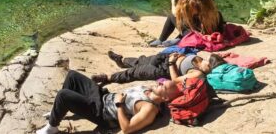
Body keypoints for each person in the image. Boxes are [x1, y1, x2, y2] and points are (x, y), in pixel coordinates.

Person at [35, 70, 182, 134]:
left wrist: (119, 105)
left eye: (163, 86)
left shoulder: (149, 109)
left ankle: (52, 127)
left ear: (165, 98)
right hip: (103, 97)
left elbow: (127, 129)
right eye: (162, 81)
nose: (160, 82)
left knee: (63, 95)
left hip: (103, 113)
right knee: (72, 76)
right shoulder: (148, 89)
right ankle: (58, 110)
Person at [148, 0, 226, 47]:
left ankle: (161, 39)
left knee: (171, 16)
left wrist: (173, 3)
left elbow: (175, 14)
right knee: (213, 15)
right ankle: (179, 38)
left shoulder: (188, 3)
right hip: (214, 29)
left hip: (198, 34)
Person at [92, 52, 226, 84]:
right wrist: (178, 55)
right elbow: (186, 58)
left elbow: (176, 80)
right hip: (166, 58)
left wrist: (171, 63)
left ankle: (108, 77)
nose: (205, 62)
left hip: (165, 70)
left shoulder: (198, 74)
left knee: (137, 72)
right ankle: (122, 61)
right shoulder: (200, 60)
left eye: (208, 65)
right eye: (207, 61)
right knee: (142, 60)